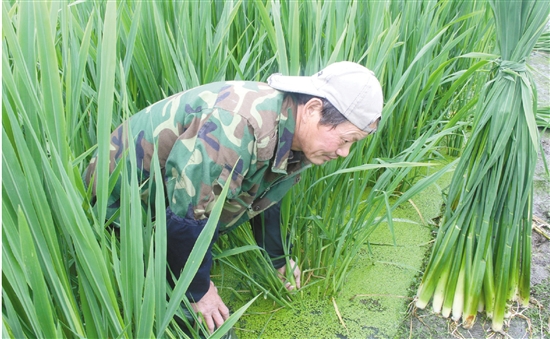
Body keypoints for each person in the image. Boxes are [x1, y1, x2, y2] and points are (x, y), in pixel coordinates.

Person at [85, 61, 383, 334]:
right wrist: (199, 291)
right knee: (212, 329)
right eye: (345, 140)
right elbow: (186, 215)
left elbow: (266, 193)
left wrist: (277, 259)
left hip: (174, 199)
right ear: (313, 109)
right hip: (121, 203)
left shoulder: (293, 133)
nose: (344, 152)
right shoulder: (237, 127)